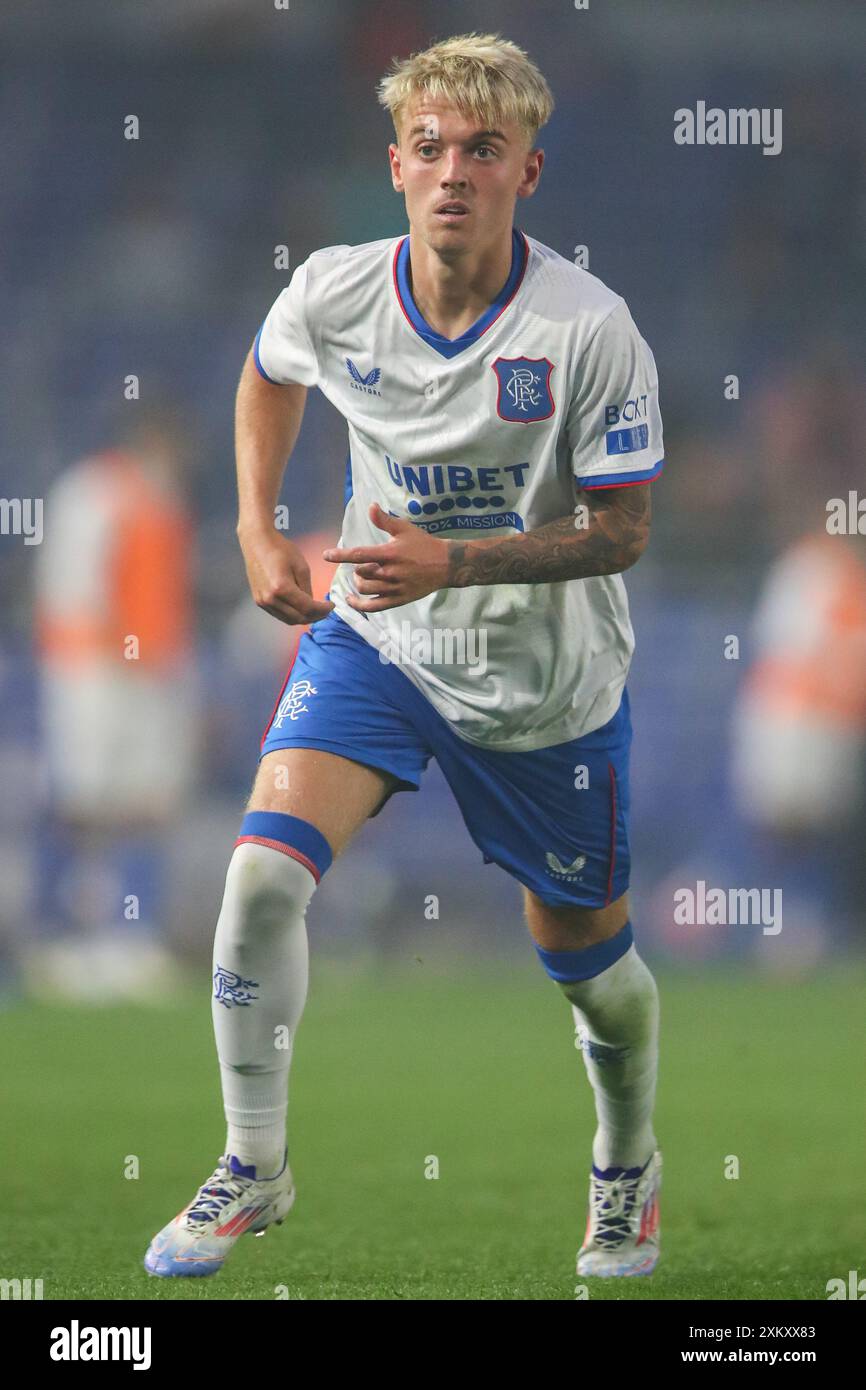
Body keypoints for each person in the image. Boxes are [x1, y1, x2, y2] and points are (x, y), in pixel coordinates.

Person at [145, 32, 665, 1282]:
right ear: (394, 165)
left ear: (526, 172)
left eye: (480, 151)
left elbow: (625, 530)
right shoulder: (333, 291)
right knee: (261, 880)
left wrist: (462, 561)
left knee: (590, 972)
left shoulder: (589, 329)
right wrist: (255, 523)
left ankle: (625, 1166)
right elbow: (269, 375)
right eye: (428, 148)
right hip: (376, 641)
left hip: (544, 691)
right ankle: (253, 1166)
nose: (452, 173)